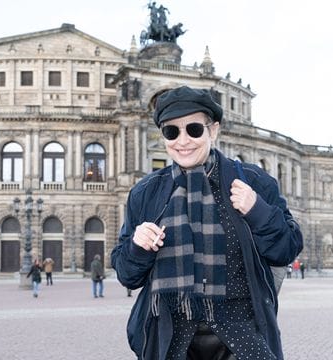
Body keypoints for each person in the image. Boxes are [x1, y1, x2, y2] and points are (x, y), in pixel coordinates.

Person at [111, 86, 303, 360]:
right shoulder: (146, 194)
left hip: (243, 340)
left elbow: (287, 249)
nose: (183, 140)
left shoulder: (254, 182)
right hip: (171, 342)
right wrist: (137, 247)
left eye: (194, 129)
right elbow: (127, 275)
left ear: (213, 131)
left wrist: (258, 211)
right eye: (172, 131)